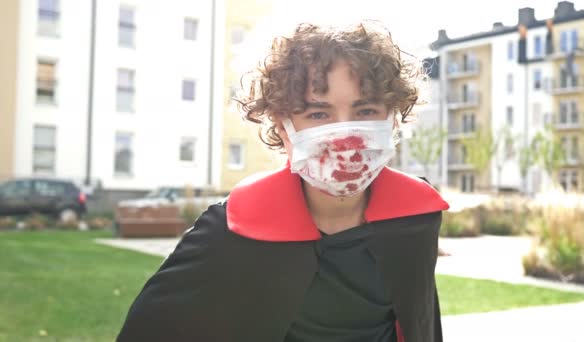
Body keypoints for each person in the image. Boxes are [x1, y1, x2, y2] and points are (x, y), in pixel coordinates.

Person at [117, 21, 449, 342]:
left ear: (393, 116)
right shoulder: (232, 229)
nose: (346, 134)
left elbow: (421, 323)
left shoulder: (416, 216)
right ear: (283, 127)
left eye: (365, 111)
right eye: (319, 114)